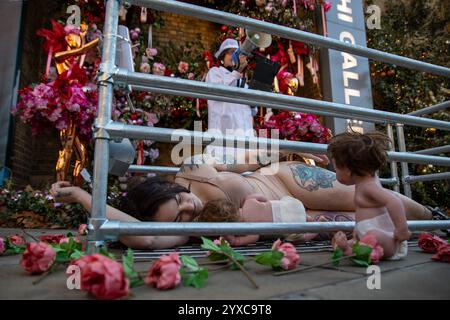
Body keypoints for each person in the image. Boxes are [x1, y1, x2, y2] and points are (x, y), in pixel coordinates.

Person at [51, 149, 434, 250]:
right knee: (368, 222)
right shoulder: (187, 227)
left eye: (182, 202)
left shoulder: (191, 171)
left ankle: (435, 217)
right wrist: (84, 195)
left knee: (370, 197)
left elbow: (241, 162)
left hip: (285, 182)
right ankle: (429, 228)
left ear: (172, 188)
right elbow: (145, 238)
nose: (191, 210)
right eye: (180, 219)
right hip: (293, 219)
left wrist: (284, 150)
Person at [328, 131, 410, 260]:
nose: (335, 172)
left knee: (373, 235)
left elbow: (394, 201)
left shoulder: (369, 186)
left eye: (336, 168)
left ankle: (351, 250)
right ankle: (348, 247)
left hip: (387, 241)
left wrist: (401, 230)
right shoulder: (365, 183)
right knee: (350, 240)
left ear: (349, 171)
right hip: (367, 236)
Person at [194, 194, 318, 246]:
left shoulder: (250, 227)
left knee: (298, 239)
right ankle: (311, 219)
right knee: (304, 217)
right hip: (290, 206)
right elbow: (262, 197)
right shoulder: (249, 201)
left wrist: (234, 241)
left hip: (289, 224)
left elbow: (255, 237)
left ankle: (317, 228)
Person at [205, 38, 255, 161]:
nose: (234, 56)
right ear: (222, 56)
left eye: (236, 53)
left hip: (243, 137)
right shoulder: (215, 72)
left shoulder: (242, 81)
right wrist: (237, 71)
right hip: (223, 134)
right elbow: (221, 90)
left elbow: (253, 112)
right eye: (230, 52)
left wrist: (254, 102)